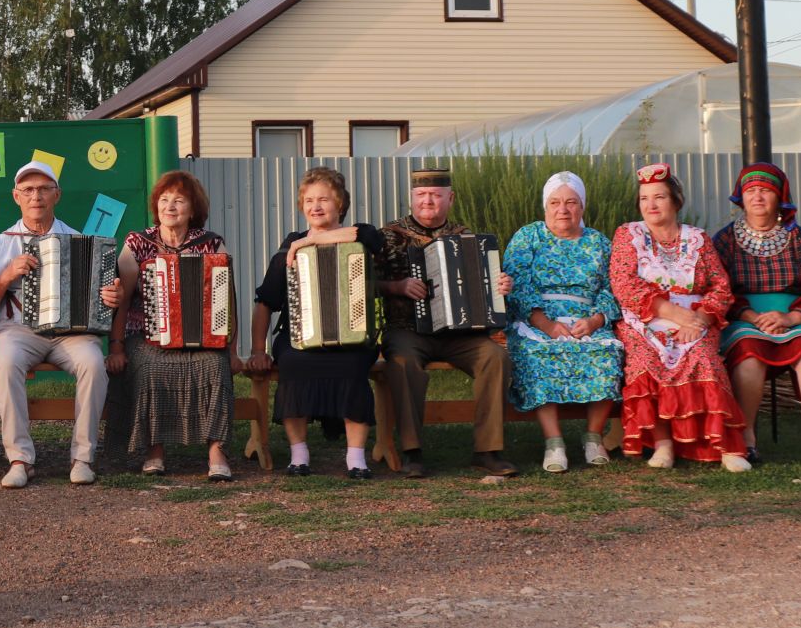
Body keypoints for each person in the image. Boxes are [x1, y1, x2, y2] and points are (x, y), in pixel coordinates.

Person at [0, 160, 108, 488]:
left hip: (70, 333)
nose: (36, 196)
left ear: (57, 195)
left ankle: (83, 457)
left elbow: (98, 302)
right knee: (5, 364)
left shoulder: (80, 240)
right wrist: (6, 275)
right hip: (18, 330)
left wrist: (110, 295)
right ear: (16, 196)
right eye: (29, 190)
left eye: (44, 189)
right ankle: (20, 459)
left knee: (93, 362)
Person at [711, 162, 801, 466]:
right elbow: (717, 287)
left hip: (795, 317)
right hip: (744, 319)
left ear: (779, 198)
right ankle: (747, 440)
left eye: (765, 190)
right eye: (751, 190)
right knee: (749, 356)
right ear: (741, 197)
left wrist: (792, 318)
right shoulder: (723, 242)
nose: (758, 196)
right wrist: (750, 316)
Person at [377, 167, 517, 477]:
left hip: (459, 333)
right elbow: (365, 283)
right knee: (402, 362)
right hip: (407, 330)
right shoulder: (389, 235)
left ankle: (488, 450)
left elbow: (486, 283)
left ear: (449, 198)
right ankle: (412, 451)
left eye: (436, 195)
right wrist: (396, 287)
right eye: (421, 195)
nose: (428, 201)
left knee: (495, 357)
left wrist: (500, 286)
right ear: (411, 198)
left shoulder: (465, 236)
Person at [247, 167, 385, 480]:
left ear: (340, 204)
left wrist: (305, 244)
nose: (316, 206)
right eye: (309, 201)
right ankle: (299, 454)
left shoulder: (360, 238)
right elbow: (266, 302)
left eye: (324, 199)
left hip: (353, 334)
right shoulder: (288, 248)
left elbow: (369, 236)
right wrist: (258, 348)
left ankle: (356, 457)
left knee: (352, 365)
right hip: (299, 333)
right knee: (294, 363)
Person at [608, 164, 748, 470]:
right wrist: (674, 314)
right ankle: (663, 444)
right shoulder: (627, 235)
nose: (651, 205)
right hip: (644, 320)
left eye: (659, 197)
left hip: (696, 320)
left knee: (702, 358)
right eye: (644, 199)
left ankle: (724, 445)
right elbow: (624, 284)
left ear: (675, 202)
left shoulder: (698, 239)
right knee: (647, 360)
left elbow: (721, 287)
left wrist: (701, 318)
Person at [102, 170, 237, 480]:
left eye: (179, 200)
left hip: (202, 338)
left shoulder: (212, 244)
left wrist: (231, 348)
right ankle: (154, 450)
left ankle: (216, 449)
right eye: (164, 200)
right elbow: (122, 298)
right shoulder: (138, 243)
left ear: (193, 208)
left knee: (216, 365)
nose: (170, 206)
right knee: (149, 367)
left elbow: (226, 302)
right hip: (145, 336)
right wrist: (117, 345)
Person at [503, 171, 624, 472]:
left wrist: (595, 320)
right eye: (555, 202)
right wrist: (545, 324)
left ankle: (594, 436)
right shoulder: (528, 237)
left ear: (582, 207)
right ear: (545, 206)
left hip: (587, 319)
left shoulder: (598, 242)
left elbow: (615, 286)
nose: (563, 209)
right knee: (537, 355)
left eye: (571, 202)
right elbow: (517, 283)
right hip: (538, 319)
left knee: (607, 353)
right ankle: (553, 442)